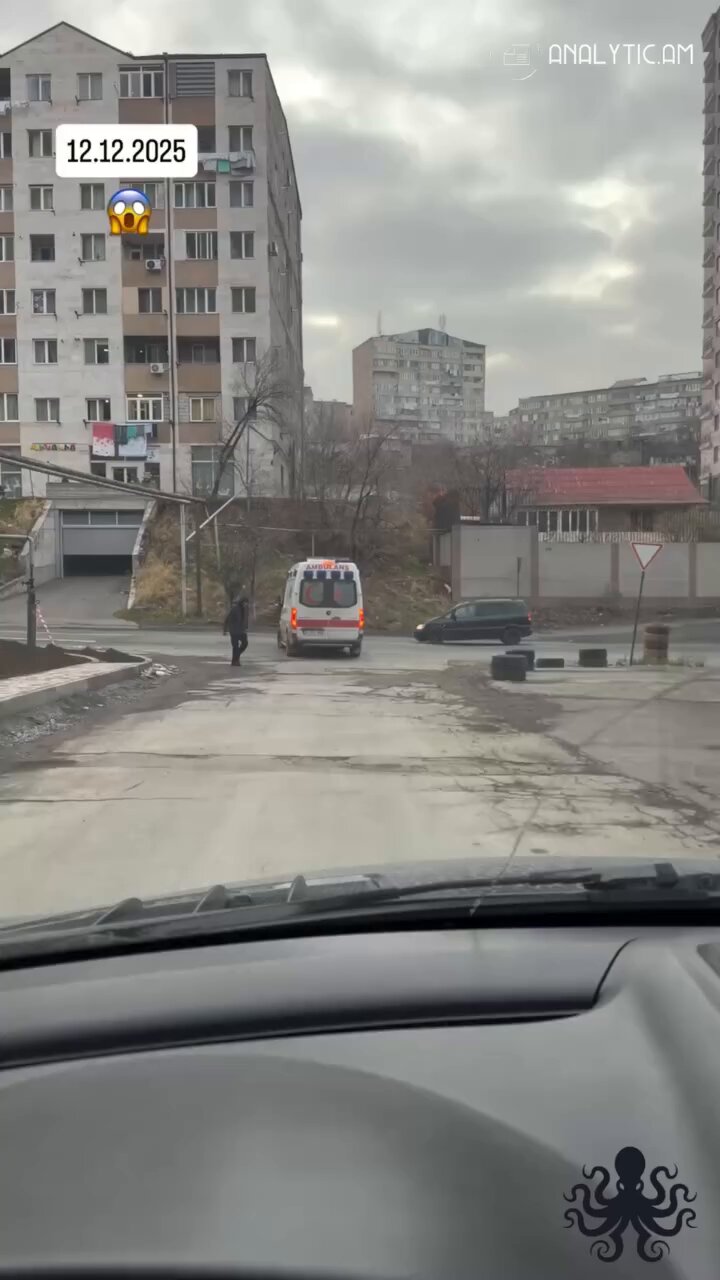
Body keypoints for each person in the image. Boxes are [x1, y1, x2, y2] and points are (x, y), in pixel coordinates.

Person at [223, 595, 249, 666]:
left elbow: (244, 620)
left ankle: (236, 656)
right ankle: (235, 661)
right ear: (242, 602)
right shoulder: (235, 609)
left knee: (245, 643)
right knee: (235, 646)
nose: (245, 605)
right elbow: (227, 619)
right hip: (234, 630)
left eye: (246, 603)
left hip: (241, 630)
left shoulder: (244, 609)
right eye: (245, 603)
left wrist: (245, 627)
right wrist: (225, 630)